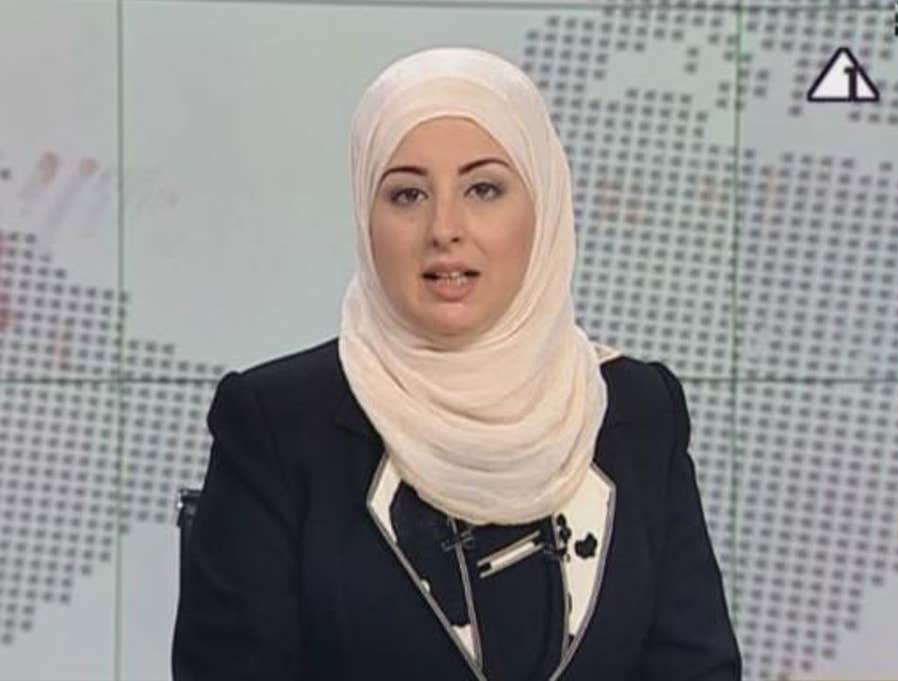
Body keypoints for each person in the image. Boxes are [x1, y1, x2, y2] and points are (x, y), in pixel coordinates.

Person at [171, 46, 741, 681]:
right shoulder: (276, 424)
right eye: (407, 194)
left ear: (545, 206)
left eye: (484, 189)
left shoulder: (638, 410)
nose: (444, 228)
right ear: (366, 219)